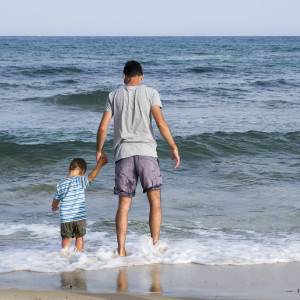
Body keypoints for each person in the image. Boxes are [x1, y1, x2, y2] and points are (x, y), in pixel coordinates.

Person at [96, 60, 180, 256]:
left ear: (124, 76)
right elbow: (160, 122)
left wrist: (99, 151)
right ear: (141, 77)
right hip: (147, 153)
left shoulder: (113, 95)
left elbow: (103, 127)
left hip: (123, 154)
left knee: (124, 206)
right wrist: (174, 147)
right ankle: (154, 247)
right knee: (155, 202)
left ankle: (122, 250)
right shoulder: (151, 93)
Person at [52, 157, 105, 251]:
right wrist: (99, 164)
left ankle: (64, 253)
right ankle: (79, 254)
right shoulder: (81, 180)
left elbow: (56, 199)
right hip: (79, 216)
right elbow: (92, 176)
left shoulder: (61, 183)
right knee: (79, 237)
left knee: (66, 238)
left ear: (69, 170)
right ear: (83, 171)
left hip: (66, 217)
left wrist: (54, 206)